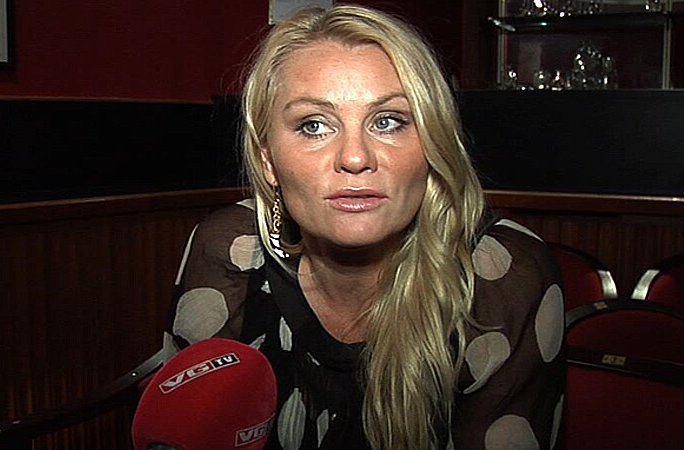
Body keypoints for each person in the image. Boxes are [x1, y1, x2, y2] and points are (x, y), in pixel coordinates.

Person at [162, 4, 565, 449]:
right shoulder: (230, 250)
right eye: (314, 126)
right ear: (267, 159)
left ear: (433, 144)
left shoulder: (499, 275)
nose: (355, 157)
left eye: (387, 121)